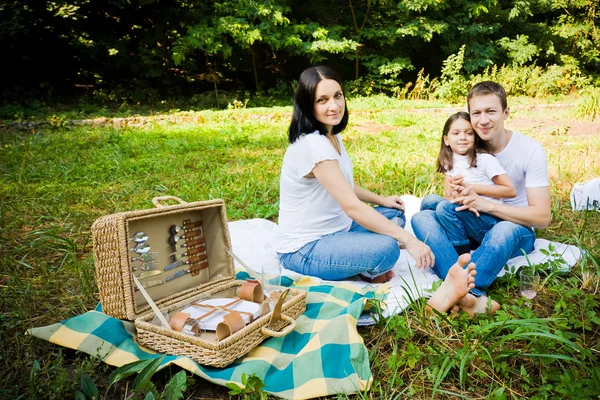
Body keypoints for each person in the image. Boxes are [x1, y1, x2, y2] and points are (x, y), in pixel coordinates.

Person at [275, 65, 476, 314]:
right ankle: (365, 266)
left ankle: (360, 263)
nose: (334, 106)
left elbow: (344, 184)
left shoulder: (330, 136)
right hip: (304, 248)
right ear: (308, 105)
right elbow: (351, 206)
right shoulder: (313, 145)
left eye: (337, 96)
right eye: (322, 100)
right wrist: (410, 241)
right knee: (388, 248)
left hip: (338, 231)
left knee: (395, 215)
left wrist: (382, 199)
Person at [411, 81, 551, 316]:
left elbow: (542, 217)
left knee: (504, 229)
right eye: (477, 112)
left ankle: (461, 287)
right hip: (475, 223)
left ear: (506, 112)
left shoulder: (530, 151)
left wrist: (487, 204)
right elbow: (452, 195)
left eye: (491, 111)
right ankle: (467, 293)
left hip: (515, 229)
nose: (483, 120)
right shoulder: (466, 146)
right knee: (422, 216)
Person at [420, 111, 516, 256]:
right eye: (456, 133)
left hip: (486, 220)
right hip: (465, 215)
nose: (462, 137)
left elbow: (510, 190)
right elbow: (448, 196)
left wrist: (471, 187)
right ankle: (435, 237)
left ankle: (461, 252)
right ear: (446, 140)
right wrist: (456, 190)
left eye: (469, 133)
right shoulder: (449, 160)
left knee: (445, 208)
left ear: (475, 137)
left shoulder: (485, 160)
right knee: (430, 200)